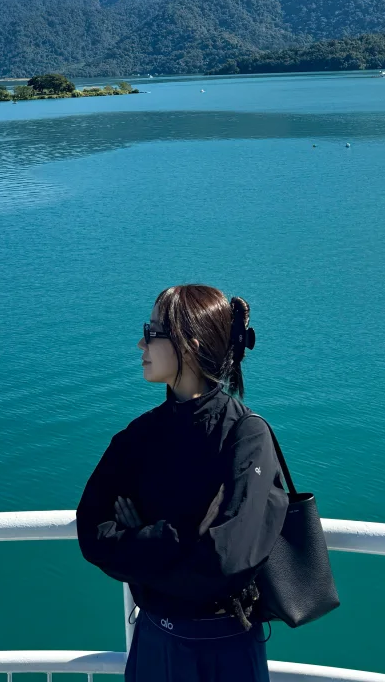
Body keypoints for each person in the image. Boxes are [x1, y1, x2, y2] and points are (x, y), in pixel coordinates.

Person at [77, 285, 288, 681]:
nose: (141, 341)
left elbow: (229, 557)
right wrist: (186, 541)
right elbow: (91, 531)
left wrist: (140, 537)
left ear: (188, 346)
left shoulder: (246, 436)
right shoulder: (137, 437)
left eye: (152, 330)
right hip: (157, 639)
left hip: (223, 651)